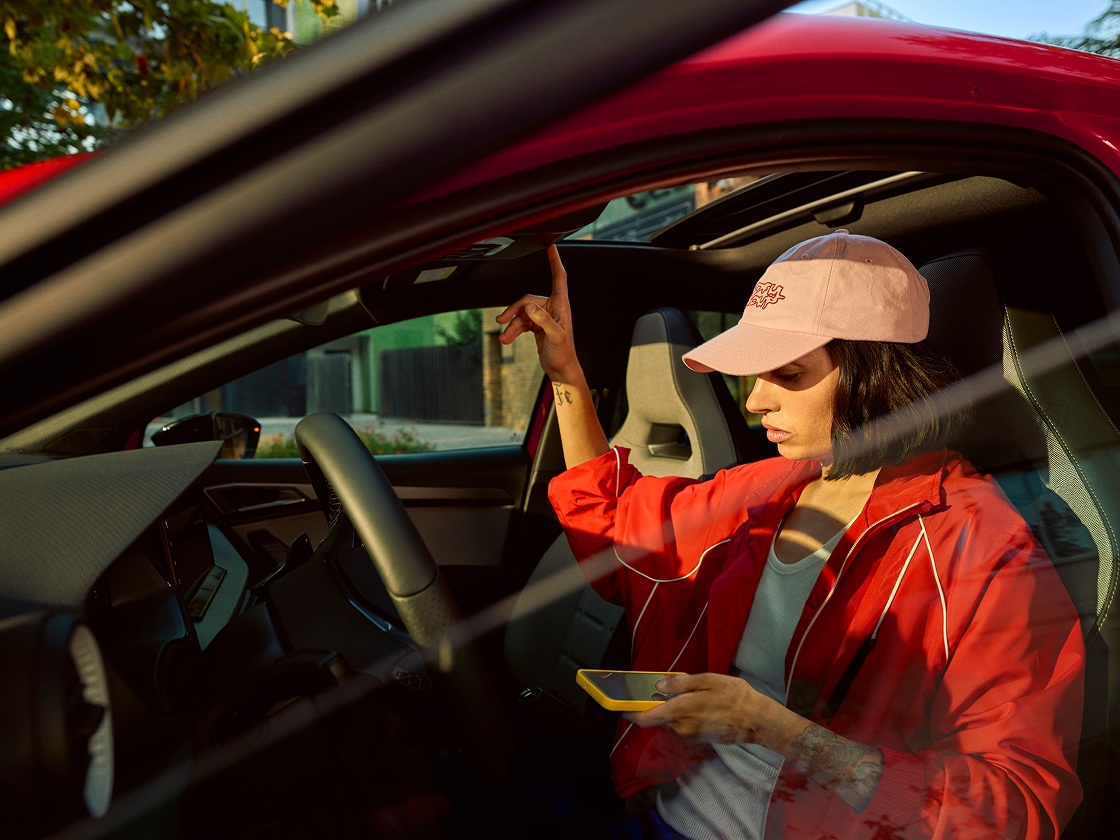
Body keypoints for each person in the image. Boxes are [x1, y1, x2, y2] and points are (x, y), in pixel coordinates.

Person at [496, 231, 1085, 840]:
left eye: (788, 373)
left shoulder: (982, 547)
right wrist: (566, 371)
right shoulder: (771, 488)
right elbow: (617, 527)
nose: (754, 400)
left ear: (874, 374)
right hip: (660, 810)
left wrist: (783, 732)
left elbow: (1014, 806)